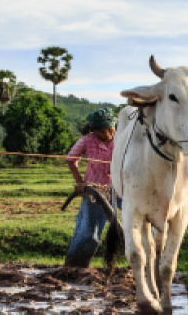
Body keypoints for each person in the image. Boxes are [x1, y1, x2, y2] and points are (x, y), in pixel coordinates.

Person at [63, 108, 117, 268]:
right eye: (102, 131)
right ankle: (74, 268)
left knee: (139, 227)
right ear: (94, 131)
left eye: (110, 129)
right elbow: (71, 160)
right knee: (88, 232)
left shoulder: (125, 138)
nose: (107, 134)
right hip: (96, 190)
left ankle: (147, 265)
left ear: (114, 125)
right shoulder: (87, 140)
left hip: (123, 189)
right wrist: (80, 182)